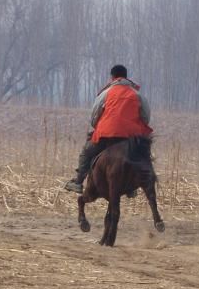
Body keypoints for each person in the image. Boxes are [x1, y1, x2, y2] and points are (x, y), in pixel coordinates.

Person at [64, 64, 153, 194]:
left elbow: (94, 114)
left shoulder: (106, 93)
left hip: (107, 134)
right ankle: (134, 187)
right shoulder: (137, 94)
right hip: (130, 137)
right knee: (143, 156)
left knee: (87, 152)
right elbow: (146, 116)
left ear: (112, 77)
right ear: (126, 77)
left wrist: (98, 127)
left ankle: (78, 181)